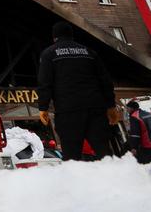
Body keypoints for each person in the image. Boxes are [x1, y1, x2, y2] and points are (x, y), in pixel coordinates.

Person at [37, 21, 120, 161]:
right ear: (72, 36)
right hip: (95, 108)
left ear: (54, 37)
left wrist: (43, 107)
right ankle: (116, 178)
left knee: (71, 154)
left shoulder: (49, 53)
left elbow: (45, 83)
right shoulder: (90, 52)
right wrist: (111, 106)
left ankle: (75, 181)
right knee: (104, 150)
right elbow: (105, 81)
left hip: (68, 110)